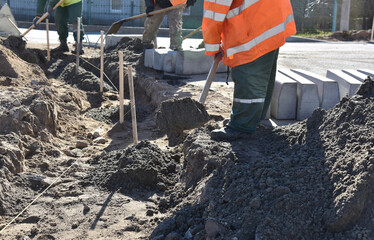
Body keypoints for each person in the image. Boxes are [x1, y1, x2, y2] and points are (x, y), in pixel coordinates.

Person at [202, 0, 296, 141]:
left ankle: (242, 125)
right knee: (263, 73)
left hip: (254, 23)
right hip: (271, 17)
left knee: (248, 73)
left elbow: (214, 13)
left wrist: (212, 47)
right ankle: (255, 118)